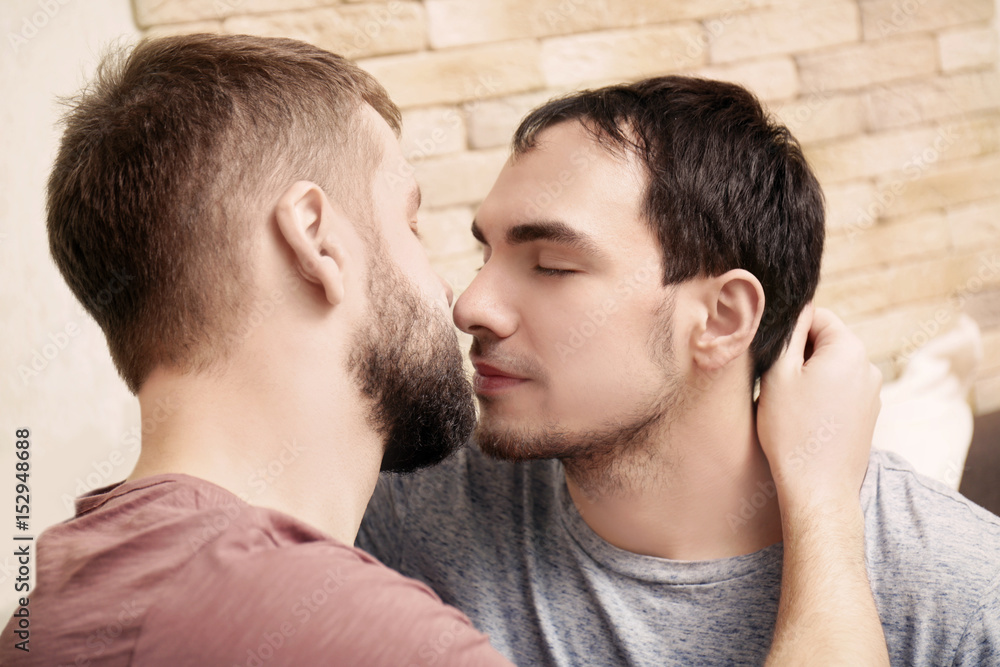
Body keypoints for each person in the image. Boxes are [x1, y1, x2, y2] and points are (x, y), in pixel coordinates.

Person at [3, 35, 886, 665]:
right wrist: (822, 495)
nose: (463, 301)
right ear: (317, 238)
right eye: (415, 225)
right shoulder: (359, 632)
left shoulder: (53, 598)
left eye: (547, 263)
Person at [358, 77, 1000, 666]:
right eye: (486, 254)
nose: (471, 306)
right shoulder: (414, 506)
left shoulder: (963, 598)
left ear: (721, 319)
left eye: (551, 265)